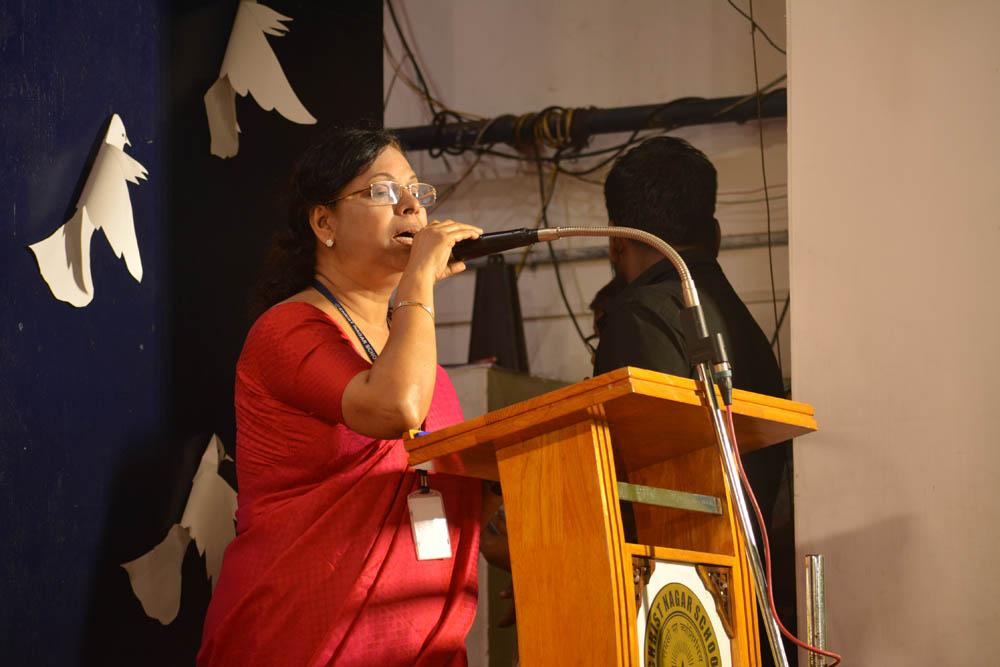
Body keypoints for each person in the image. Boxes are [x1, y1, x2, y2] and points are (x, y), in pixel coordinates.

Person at [198, 127, 488, 666]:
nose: (411, 205)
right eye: (382, 191)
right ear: (323, 223)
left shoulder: (426, 371)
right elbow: (395, 408)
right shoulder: (287, 331)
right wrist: (418, 282)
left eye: (417, 190)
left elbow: (464, 498)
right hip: (301, 633)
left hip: (420, 641)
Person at [593, 136, 797, 666]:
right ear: (716, 234)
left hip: (680, 611)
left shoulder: (641, 315)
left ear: (616, 242)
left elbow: (640, 484)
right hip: (737, 602)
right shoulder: (738, 322)